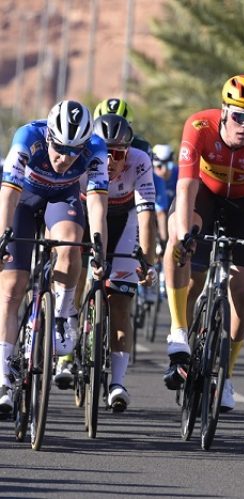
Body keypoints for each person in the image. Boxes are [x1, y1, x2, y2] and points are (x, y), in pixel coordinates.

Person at [161, 74, 244, 412]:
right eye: (239, 116)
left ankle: (226, 375)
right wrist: (186, 234)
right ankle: (178, 332)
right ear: (224, 110)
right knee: (181, 243)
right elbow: (185, 188)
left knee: (243, 288)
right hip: (205, 195)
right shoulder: (199, 126)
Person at [0, 100, 108, 413]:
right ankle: (4, 374)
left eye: (75, 151)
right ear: (49, 137)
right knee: (11, 289)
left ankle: (63, 312)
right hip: (23, 199)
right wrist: (3, 238)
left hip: (63, 198)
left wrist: (99, 247)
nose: (65, 157)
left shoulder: (97, 149)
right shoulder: (27, 137)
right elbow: (7, 194)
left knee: (73, 242)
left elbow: (98, 204)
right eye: (60, 148)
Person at [74, 114, 157, 410]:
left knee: (121, 302)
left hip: (124, 220)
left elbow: (147, 215)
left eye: (118, 154)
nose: (110, 161)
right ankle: (66, 347)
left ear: (129, 151)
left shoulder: (140, 161)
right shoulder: (82, 160)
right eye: (105, 153)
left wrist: (148, 261)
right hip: (86, 214)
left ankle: (118, 382)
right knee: (75, 275)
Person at [151, 144, 178, 298]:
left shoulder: (178, 174)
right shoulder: (151, 177)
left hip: (171, 215)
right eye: (159, 166)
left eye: (168, 165)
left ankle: (165, 276)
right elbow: (159, 213)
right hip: (154, 215)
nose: (164, 171)